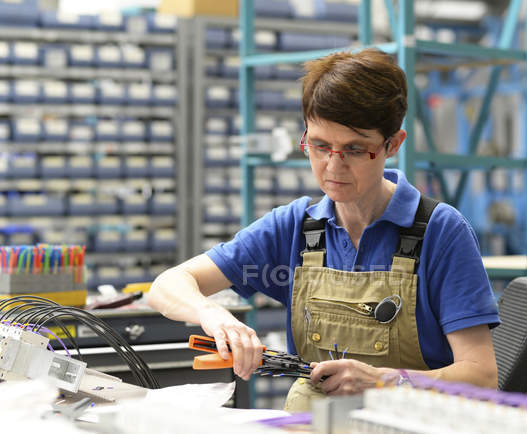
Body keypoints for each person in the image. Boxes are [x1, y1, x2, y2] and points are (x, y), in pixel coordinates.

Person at [147, 48, 500, 412]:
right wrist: (214, 314)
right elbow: (166, 286)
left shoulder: (440, 232)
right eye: (319, 145)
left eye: (355, 149)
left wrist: (386, 381)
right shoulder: (295, 228)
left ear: (392, 144)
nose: (333, 165)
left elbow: (482, 375)